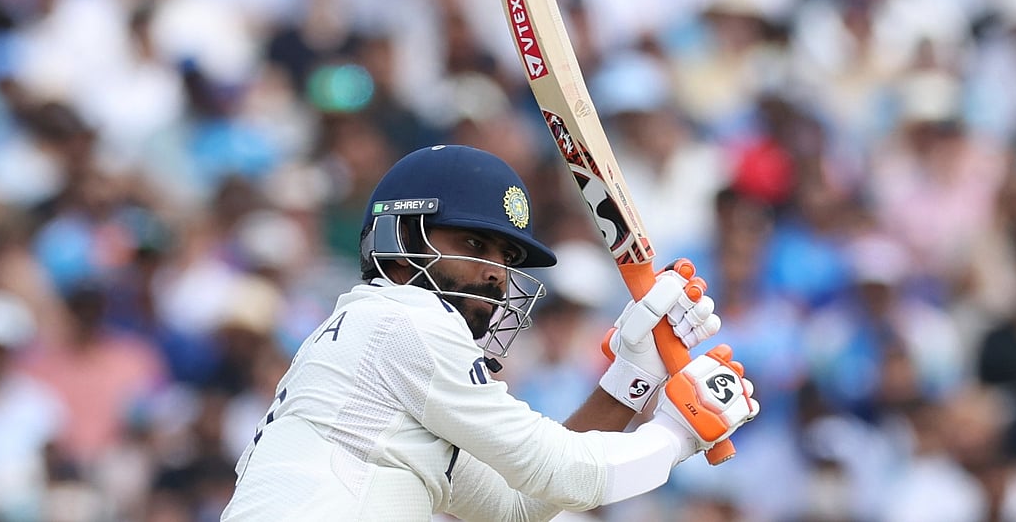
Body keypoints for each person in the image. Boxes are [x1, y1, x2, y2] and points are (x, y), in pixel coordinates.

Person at [221, 145, 758, 520]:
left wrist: (632, 377)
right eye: (476, 245)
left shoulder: (378, 350)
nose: (496, 274)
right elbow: (566, 472)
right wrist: (678, 433)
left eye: (506, 257)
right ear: (403, 236)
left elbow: (516, 507)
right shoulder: (404, 321)